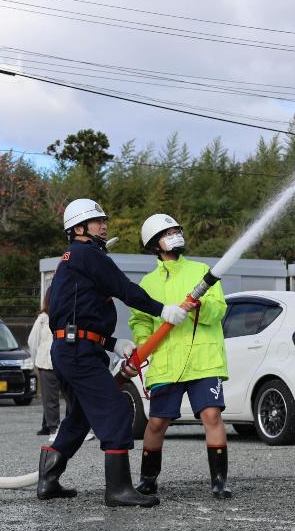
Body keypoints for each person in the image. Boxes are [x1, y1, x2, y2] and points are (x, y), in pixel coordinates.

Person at [37, 198, 188, 508]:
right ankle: (118, 490)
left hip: (71, 349)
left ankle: (48, 480)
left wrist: (113, 343)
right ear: (79, 228)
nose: (103, 225)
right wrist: (163, 310)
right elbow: (125, 289)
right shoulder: (88, 255)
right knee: (117, 410)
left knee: (80, 416)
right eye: (97, 221)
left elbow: (76, 315)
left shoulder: (72, 260)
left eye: (104, 220)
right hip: (79, 352)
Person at [128, 214, 231, 499]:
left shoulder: (202, 271)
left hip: (203, 360)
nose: (175, 235)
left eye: (177, 230)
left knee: (212, 415)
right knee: (157, 422)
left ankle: (219, 482)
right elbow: (140, 320)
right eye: (168, 232)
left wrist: (198, 306)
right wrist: (143, 343)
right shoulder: (147, 283)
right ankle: (148, 479)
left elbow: (219, 309)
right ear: (154, 244)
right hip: (166, 362)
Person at [28, 290, 63, 443]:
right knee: (50, 399)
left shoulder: (66, 315)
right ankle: (53, 428)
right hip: (46, 363)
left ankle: (72, 427)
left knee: (71, 397)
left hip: (63, 363)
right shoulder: (43, 318)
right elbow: (33, 341)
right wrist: (37, 359)